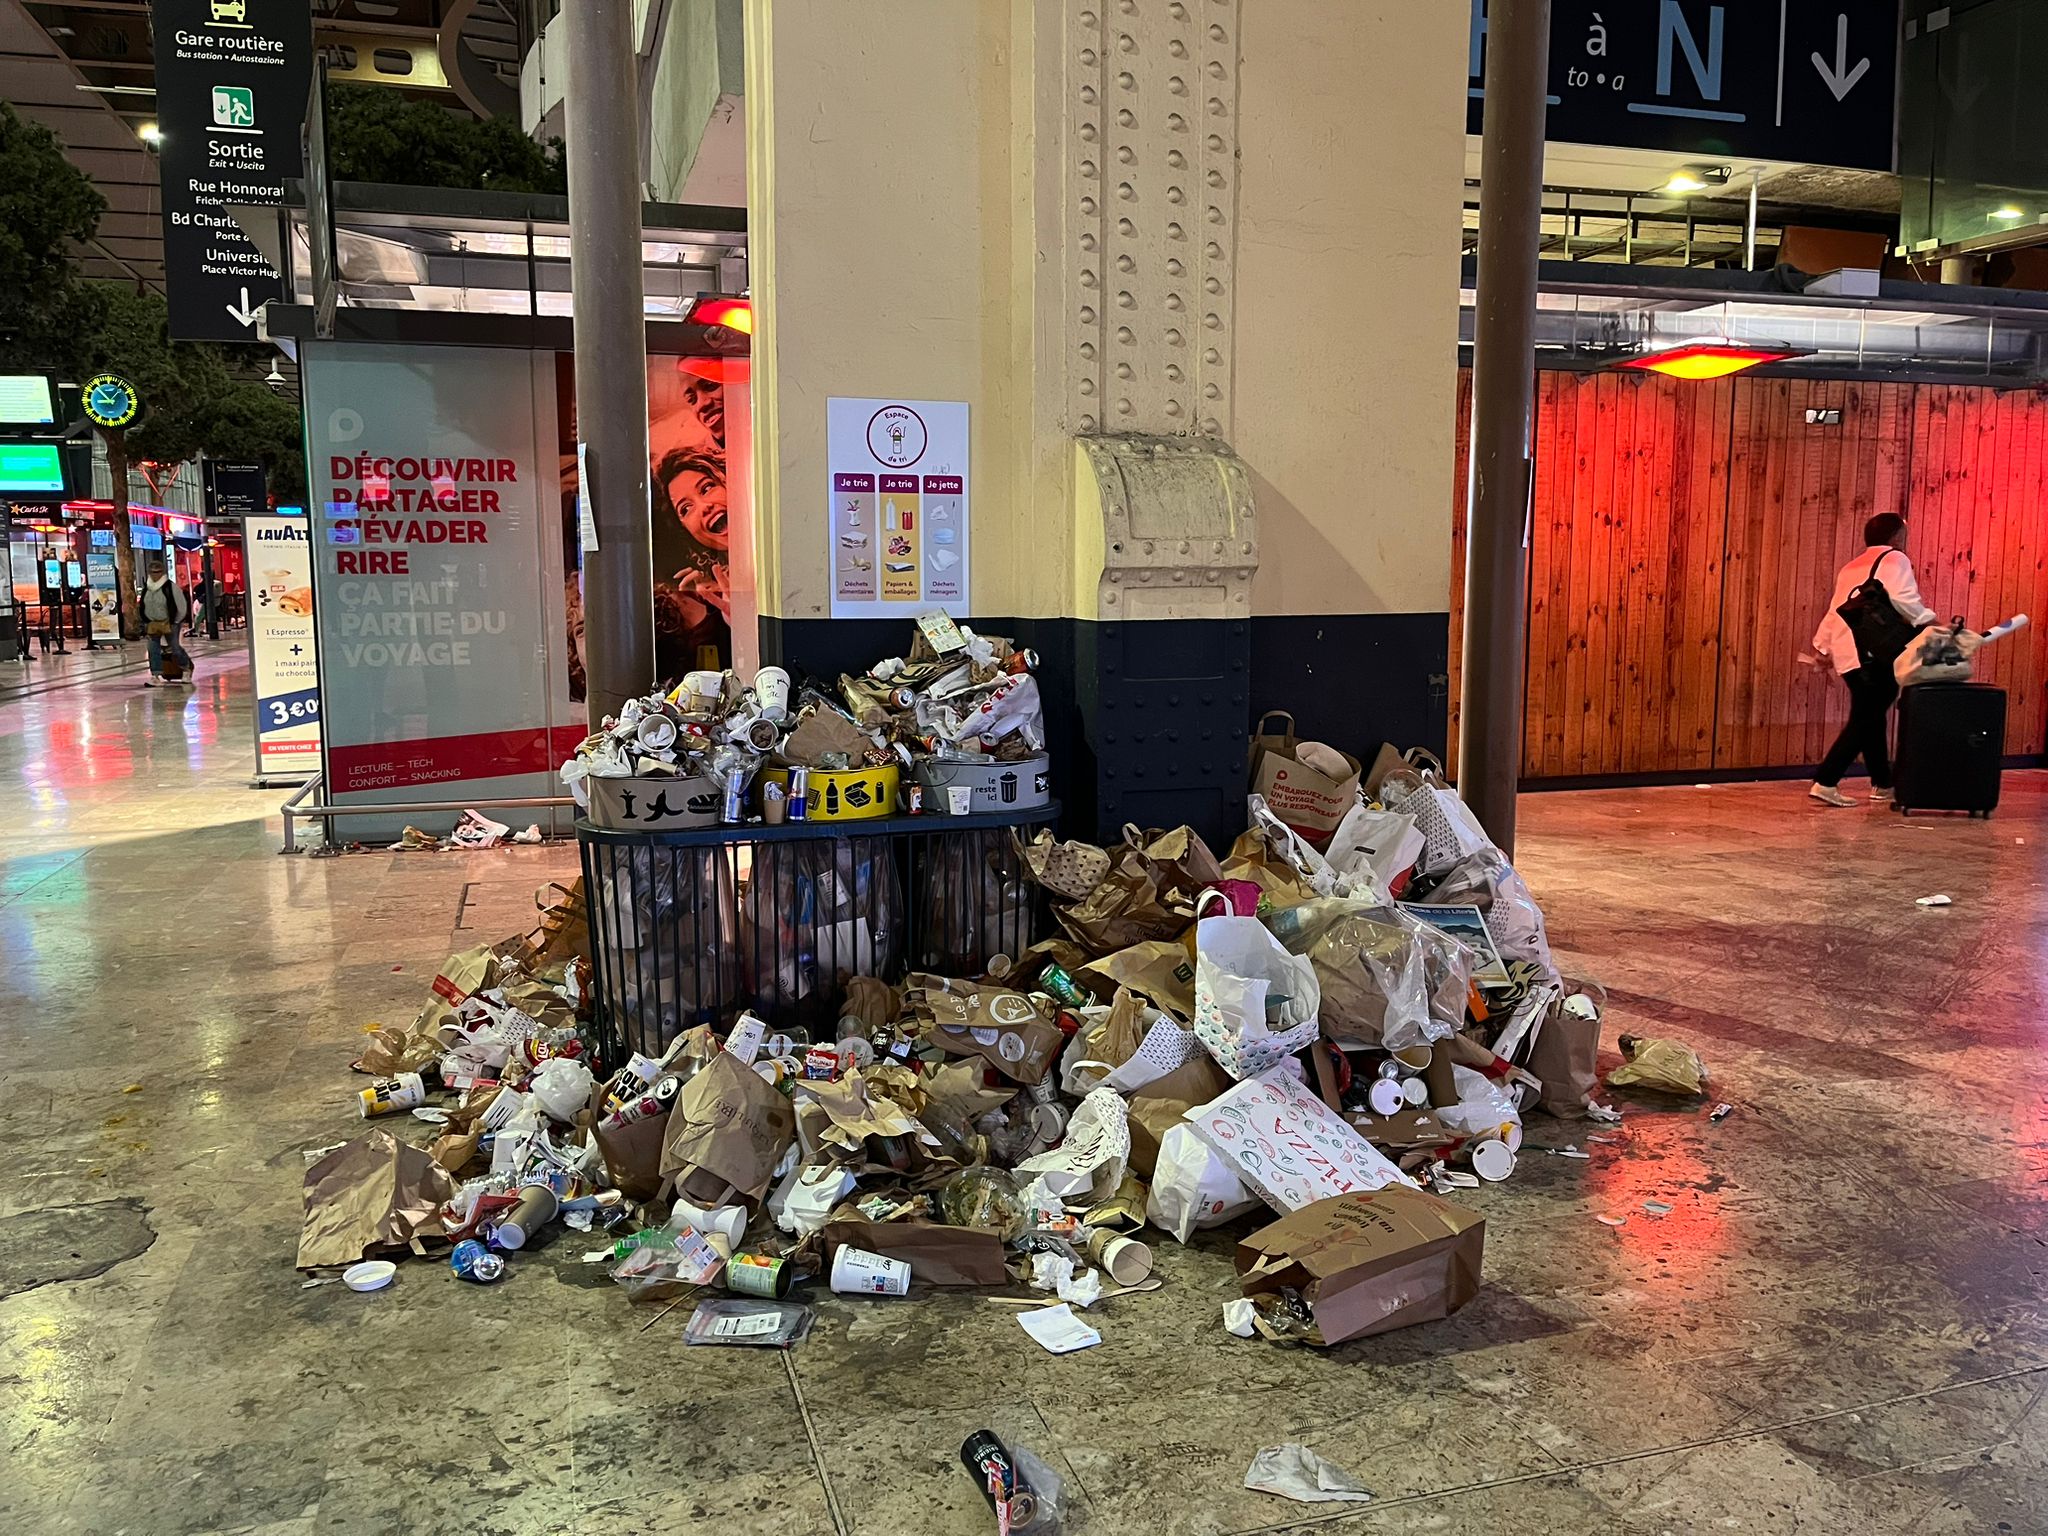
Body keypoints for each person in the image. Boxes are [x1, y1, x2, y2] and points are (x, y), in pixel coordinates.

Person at [1808, 512, 1934, 806]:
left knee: (1870, 713)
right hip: (1876, 650)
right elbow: (1904, 598)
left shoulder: (1852, 565)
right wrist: (1930, 622)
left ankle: (1882, 782)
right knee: (1867, 716)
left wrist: (1823, 648)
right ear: (1897, 537)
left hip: (1847, 650)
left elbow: (1835, 608)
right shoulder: (1895, 559)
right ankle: (1826, 780)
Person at [140, 557, 194, 687]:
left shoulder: (171, 587)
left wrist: (175, 621)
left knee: (174, 647)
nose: (155, 575)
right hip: (153, 623)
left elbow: (181, 605)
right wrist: (145, 620)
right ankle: (156, 675)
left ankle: (186, 668)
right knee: (153, 648)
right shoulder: (147, 588)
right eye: (152, 572)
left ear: (163, 572)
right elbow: (143, 605)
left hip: (170, 622)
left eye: (158, 572)